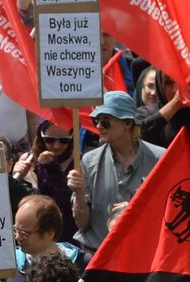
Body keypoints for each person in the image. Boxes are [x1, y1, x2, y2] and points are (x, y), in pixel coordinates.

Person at [70, 91, 167, 250]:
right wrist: (79, 193)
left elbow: (168, 215)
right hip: (99, 256)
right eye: (97, 121)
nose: (99, 127)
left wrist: (134, 210)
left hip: (143, 254)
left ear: (128, 123)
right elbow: (82, 224)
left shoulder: (159, 158)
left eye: (106, 121)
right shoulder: (89, 161)